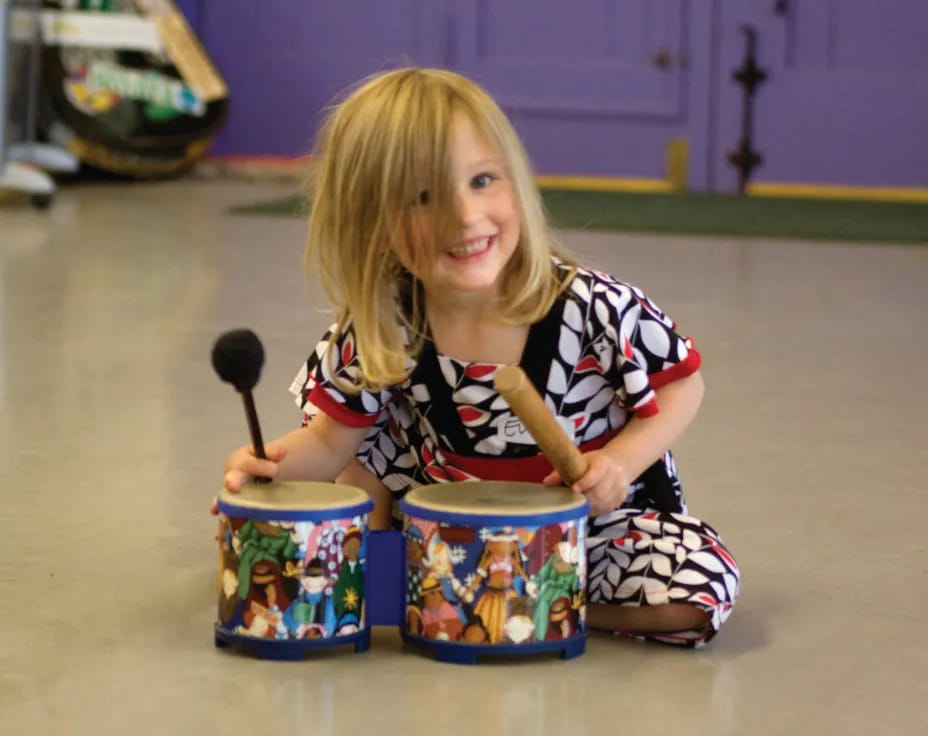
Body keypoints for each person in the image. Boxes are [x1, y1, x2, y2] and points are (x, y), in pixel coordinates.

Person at [221, 67, 740, 648]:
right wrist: (269, 465)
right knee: (365, 425)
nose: (465, 218)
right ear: (372, 222)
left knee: (700, 589)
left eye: (483, 180)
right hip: (446, 538)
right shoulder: (385, 323)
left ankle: (527, 603)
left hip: (587, 529)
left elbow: (681, 387)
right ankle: (425, 576)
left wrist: (619, 463)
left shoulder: (591, 307)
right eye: (422, 198)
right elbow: (328, 442)